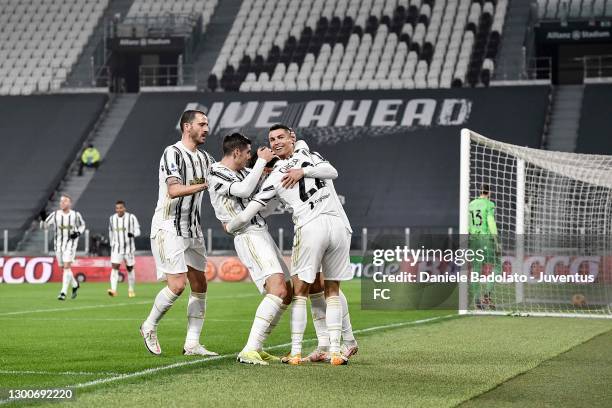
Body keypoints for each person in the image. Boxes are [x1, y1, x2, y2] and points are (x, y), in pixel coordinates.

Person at [226, 124, 355, 366]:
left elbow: (248, 214)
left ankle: (296, 352)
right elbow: (332, 171)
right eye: (272, 139)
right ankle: (334, 349)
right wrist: (304, 171)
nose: (275, 142)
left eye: (279, 137)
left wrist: (230, 226)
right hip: (338, 224)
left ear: (291, 138)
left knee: (300, 292)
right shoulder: (310, 155)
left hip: (311, 228)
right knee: (331, 289)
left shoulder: (276, 176)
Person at [140, 110, 218, 357]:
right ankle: (149, 325)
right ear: (187, 126)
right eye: (201, 124)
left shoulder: (205, 157)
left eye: (207, 124)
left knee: (200, 283)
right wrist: (207, 184)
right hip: (168, 226)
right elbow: (173, 190)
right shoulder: (172, 153)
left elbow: (224, 174)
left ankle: (192, 344)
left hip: (192, 229)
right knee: (177, 284)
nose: (206, 128)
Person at [208, 133, 290, 365]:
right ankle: (249, 349)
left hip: (260, 231)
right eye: (247, 153)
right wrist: (262, 162)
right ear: (236, 152)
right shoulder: (216, 172)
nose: (249, 158)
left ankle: (258, 346)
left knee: (288, 292)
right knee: (277, 288)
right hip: (246, 235)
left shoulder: (245, 172)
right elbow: (244, 191)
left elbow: (261, 204)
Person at [43, 194, 85, 300]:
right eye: (61, 201)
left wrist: (78, 233)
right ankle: (75, 285)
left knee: (66, 267)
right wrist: (43, 220)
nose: (62, 203)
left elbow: (82, 225)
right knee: (63, 268)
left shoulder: (75, 215)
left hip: (70, 244)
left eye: (65, 201)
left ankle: (63, 292)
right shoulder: (55, 214)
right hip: (58, 245)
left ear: (70, 203)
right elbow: (45, 226)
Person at [468, 184, 500, 310]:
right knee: (498, 265)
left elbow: (468, 223)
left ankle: (476, 299)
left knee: (476, 269)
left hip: (473, 240)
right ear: (489, 192)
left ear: (480, 191)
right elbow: (491, 221)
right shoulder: (489, 204)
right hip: (485, 239)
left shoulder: (471, 204)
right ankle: (487, 294)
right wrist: (496, 239)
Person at [108, 200, 141, 297]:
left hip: (129, 249)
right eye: (117, 208)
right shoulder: (112, 219)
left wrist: (133, 234)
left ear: (124, 208)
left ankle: (131, 290)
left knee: (130, 268)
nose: (119, 210)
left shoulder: (131, 217)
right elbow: (110, 231)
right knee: (114, 267)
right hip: (116, 248)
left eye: (121, 208)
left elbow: (138, 230)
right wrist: (111, 243)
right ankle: (113, 290)